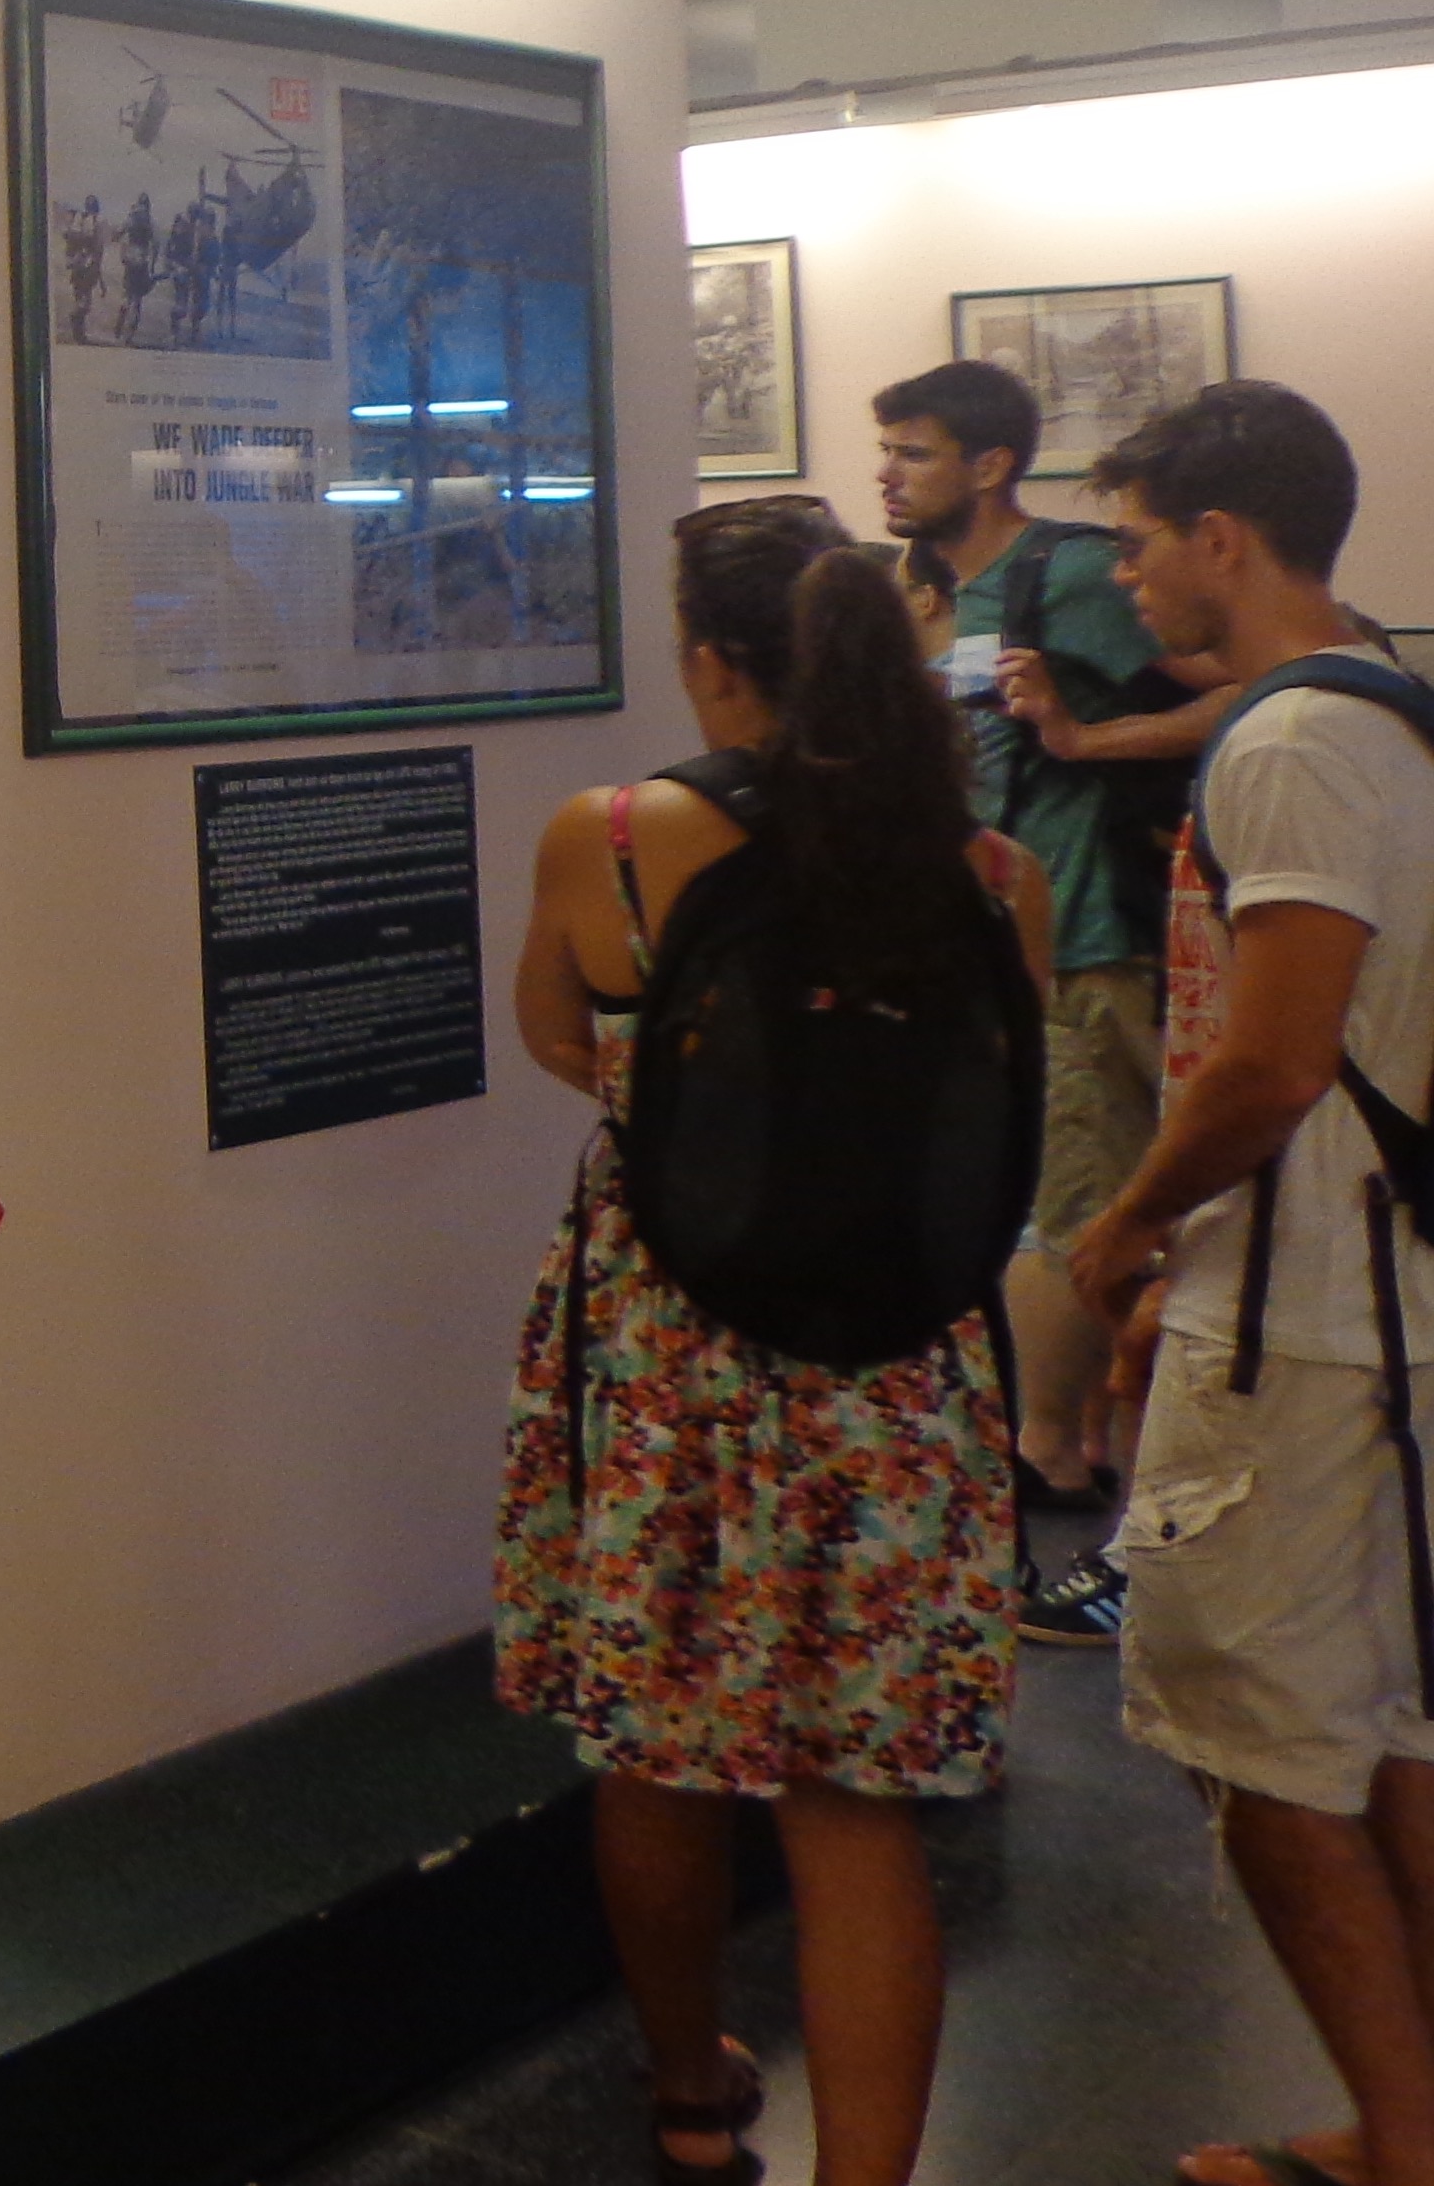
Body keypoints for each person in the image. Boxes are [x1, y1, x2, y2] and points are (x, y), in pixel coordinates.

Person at [495, 496, 1050, 2186]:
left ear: (711, 662)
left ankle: (684, 2094)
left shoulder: (604, 838)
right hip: (888, 1357)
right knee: (850, 1799)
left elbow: (550, 1032)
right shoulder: (984, 869)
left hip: (671, 1344)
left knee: (655, 1751)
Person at [1060, 383, 1434, 2186]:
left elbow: (1271, 1058)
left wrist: (1126, 1220)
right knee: (1384, 1732)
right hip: (1378, 1299)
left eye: (1132, 541)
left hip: (1299, 1319)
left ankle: (1402, 2140)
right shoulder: (1395, 704)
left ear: (1222, 537)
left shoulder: (1286, 742)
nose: (1120, 577)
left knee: (1258, 1746)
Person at [873, 355, 1231, 1643]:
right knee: (1034, 1191)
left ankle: (1050, 1462)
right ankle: (1065, 1439)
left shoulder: (1071, 574)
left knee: (1075, 1196)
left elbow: (1238, 688)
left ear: (989, 465)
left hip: (1083, 938)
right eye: (888, 451)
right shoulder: (917, 590)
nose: (888, 474)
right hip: (975, 944)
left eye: (913, 452)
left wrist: (1088, 742)